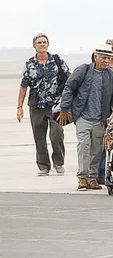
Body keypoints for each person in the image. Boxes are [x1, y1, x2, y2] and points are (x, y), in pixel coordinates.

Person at [58, 45, 113, 190]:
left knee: (96, 150)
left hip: (100, 119)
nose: (106, 61)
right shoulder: (83, 70)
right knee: (83, 147)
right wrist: (64, 108)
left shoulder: (111, 76)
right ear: (95, 56)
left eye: (109, 58)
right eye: (103, 57)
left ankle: (92, 179)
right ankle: (82, 178)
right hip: (83, 117)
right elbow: (69, 88)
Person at [17, 33, 70, 176]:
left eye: (44, 42)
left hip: (56, 105)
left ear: (48, 44)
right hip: (36, 106)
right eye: (39, 42)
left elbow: (69, 80)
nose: (42, 44)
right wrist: (19, 107)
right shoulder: (29, 64)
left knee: (57, 133)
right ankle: (43, 166)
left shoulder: (57, 61)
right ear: (34, 46)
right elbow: (23, 86)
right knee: (39, 137)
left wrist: (68, 102)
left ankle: (58, 163)